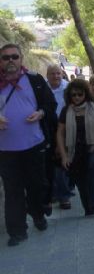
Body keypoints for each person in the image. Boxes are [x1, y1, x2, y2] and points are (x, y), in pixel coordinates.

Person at [0, 44, 57, 246]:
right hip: (6, 151)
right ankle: (17, 231)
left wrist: (40, 113)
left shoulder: (35, 80)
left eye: (14, 56)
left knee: (36, 185)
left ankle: (38, 215)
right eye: (5, 57)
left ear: (21, 59)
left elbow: (50, 105)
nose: (10, 61)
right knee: (12, 190)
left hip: (34, 145)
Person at [55, 78, 94, 216]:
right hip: (75, 151)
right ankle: (90, 206)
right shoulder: (66, 111)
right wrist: (64, 156)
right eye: (73, 95)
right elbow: (60, 134)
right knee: (82, 184)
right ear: (69, 95)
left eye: (80, 94)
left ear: (85, 94)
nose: (77, 97)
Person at [47, 64, 74, 210]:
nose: (55, 76)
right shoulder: (43, 88)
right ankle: (55, 192)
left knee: (61, 160)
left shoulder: (68, 88)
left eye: (58, 73)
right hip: (47, 128)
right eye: (52, 73)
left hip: (65, 127)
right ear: (47, 75)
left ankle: (64, 195)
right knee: (51, 161)